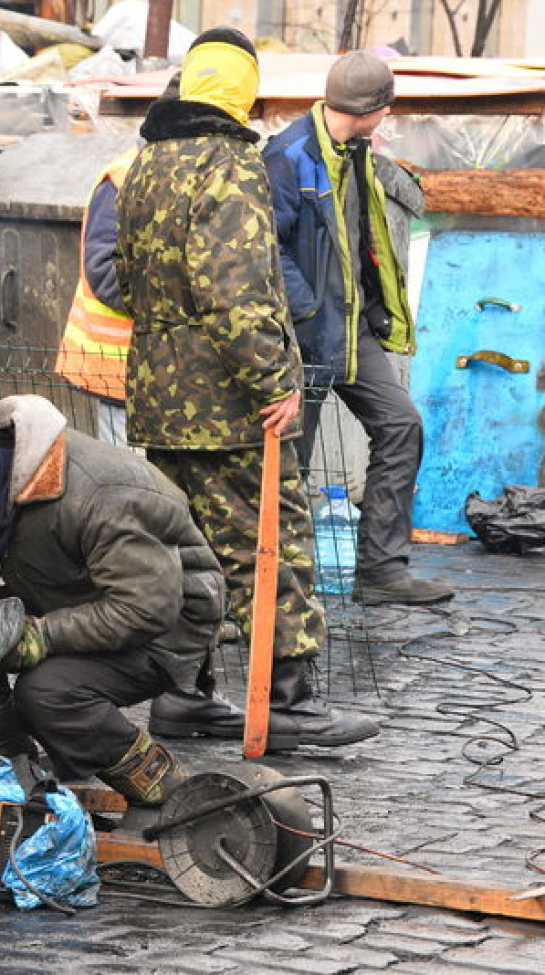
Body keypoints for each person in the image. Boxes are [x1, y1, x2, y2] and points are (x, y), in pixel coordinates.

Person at [113, 27, 379, 748]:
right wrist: (273, 379)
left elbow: (126, 279)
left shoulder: (145, 165)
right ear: (242, 93)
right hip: (227, 403)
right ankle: (288, 701)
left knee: (183, 551)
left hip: (160, 399)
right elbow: (234, 293)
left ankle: (183, 694)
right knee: (273, 544)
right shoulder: (229, 167)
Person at [0, 393, 246, 806]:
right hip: (68, 596)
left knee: (49, 692)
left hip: (165, 629)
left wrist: (42, 636)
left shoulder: (105, 495)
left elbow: (145, 608)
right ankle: (6, 769)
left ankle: (164, 792)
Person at [263, 51, 453, 607]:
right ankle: (279, 593)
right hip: (307, 337)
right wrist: (306, 311)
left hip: (351, 331)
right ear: (376, 108)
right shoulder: (288, 157)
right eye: (388, 106)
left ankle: (382, 574)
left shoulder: (356, 153)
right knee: (290, 469)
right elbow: (266, 246)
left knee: (401, 425)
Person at [56, 146, 138, 447]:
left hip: (154, 369)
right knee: (131, 479)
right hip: (121, 368)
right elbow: (104, 272)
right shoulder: (123, 177)